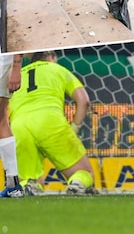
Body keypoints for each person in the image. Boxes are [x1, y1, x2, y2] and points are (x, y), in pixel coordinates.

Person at [8, 51, 97, 195]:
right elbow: (84, 100)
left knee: (29, 181)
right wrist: (74, 127)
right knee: (84, 173)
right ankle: (77, 184)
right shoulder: (58, 69)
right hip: (49, 120)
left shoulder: (16, 76)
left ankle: (29, 188)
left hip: (18, 126)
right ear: (50, 57)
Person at [0, 53, 24, 198]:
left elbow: (18, 35)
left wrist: (16, 67)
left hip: (3, 60)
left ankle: (13, 185)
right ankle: (12, 185)